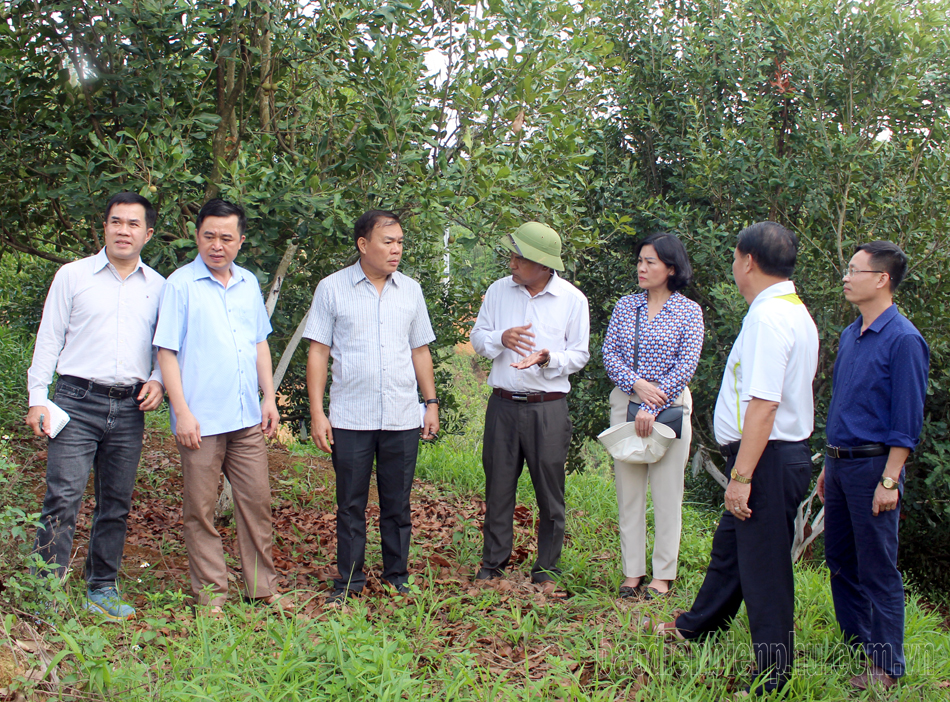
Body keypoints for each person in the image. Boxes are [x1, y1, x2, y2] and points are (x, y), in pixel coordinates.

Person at [648, 222, 818, 696]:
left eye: (734, 257)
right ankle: (697, 626)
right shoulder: (792, 310)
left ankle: (773, 678)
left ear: (748, 261)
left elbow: (764, 405)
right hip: (771, 456)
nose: (733, 266)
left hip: (765, 458)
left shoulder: (768, 319)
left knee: (764, 573)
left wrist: (741, 476)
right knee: (730, 553)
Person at [26, 192, 165, 620]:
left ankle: (101, 588)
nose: (124, 231)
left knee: (116, 503)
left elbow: (166, 346)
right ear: (103, 227)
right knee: (63, 497)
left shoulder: (160, 286)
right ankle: (44, 590)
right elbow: (49, 338)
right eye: (116, 222)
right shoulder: (73, 275)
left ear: (148, 233)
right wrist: (37, 398)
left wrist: (159, 379)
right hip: (75, 401)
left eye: (133, 224)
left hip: (129, 408)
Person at [153, 198, 284, 612]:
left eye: (227, 237)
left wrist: (269, 396)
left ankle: (262, 587)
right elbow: (166, 352)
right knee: (201, 511)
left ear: (240, 241)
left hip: (246, 417)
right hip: (201, 421)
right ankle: (210, 595)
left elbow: (259, 342)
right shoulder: (179, 285)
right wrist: (182, 411)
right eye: (209, 235)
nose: (217, 244)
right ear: (197, 236)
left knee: (256, 503)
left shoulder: (247, 283)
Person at [304, 210, 439, 603]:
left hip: (401, 415)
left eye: (399, 242)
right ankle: (348, 583)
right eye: (388, 242)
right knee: (350, 504)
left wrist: (429, 402)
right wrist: (317, 412)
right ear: (363, 245)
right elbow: (318, 352)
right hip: (350, 417)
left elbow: (420, 349)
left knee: (398, 503)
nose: (396, 250)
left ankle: (398, 576)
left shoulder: (410, 290)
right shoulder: (332, 289)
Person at [816, 241, 929, 691]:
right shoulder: (850, 334)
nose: (846, 276)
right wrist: (829, 462)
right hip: (840, 464)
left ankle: (887, 667)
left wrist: (890, 478)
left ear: (881, 279)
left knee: (878, 567)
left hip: (874, 468)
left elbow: (906, 420)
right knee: (840, 559)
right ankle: (857, 646)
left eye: (855, 270)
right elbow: (843, 406)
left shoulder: (904, 340)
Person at [470, 222, 590, 595]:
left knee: (550, 493)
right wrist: (499, 339)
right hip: (503, 406)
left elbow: (580, 354)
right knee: (499, 488)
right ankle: (493, 564)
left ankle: (546, 569)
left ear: (542, 264)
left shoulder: (572, 300)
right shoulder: (498, 291)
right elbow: (477, 338)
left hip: (548, 410)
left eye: (519, 257)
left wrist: (547, 358)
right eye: (512, 255)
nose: (512, 263)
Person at [601, 232, 703, 600]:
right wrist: (637, 386)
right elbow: (609, 353)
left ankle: (663, 575)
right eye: (640, 261)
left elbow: (686, 364)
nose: (642, 268)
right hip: (625, 403)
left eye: (651, 262)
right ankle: (632, 573)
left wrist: (652, 405)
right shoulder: (626, 306)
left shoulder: (689, 311)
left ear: (671, 268)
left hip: (671, 409)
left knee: (667, 493)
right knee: (628, 492)